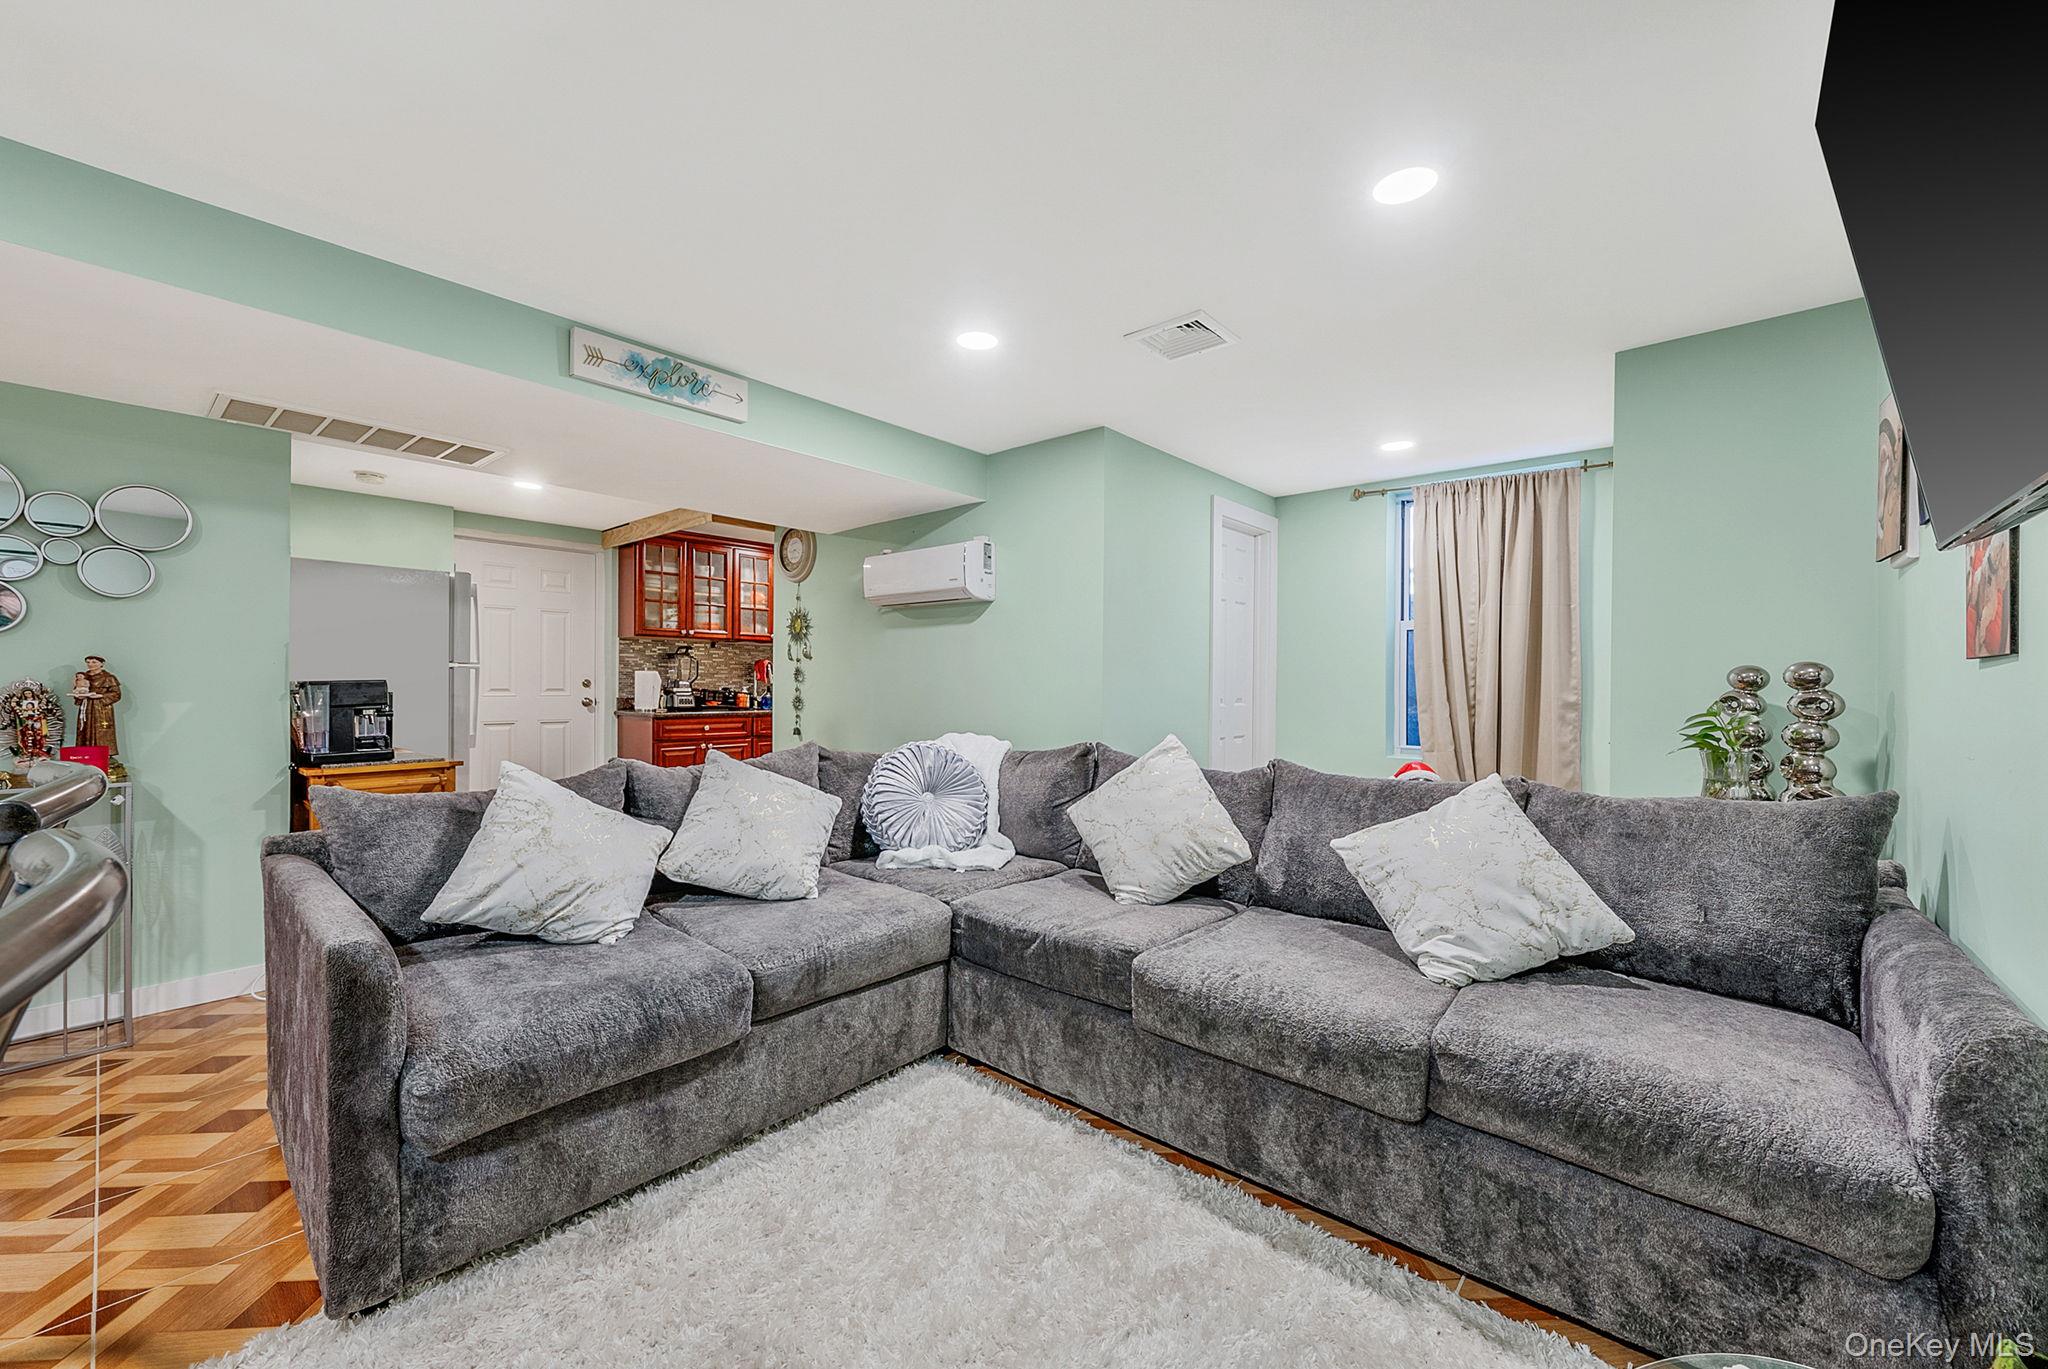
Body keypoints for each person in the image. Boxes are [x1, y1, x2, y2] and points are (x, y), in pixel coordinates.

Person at [72, 655, 122, 755]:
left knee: (102, 730)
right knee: (85, 729)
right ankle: (86, 754)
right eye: (88, 662)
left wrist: (101, 696)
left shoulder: (108, 678)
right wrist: (79, 696)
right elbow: (77, 690)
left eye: (94, 662)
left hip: (102, 709)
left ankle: (103, 755)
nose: (90, 664)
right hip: (86, 707)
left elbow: (116, 694)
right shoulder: (83, 677)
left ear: (101, 664)